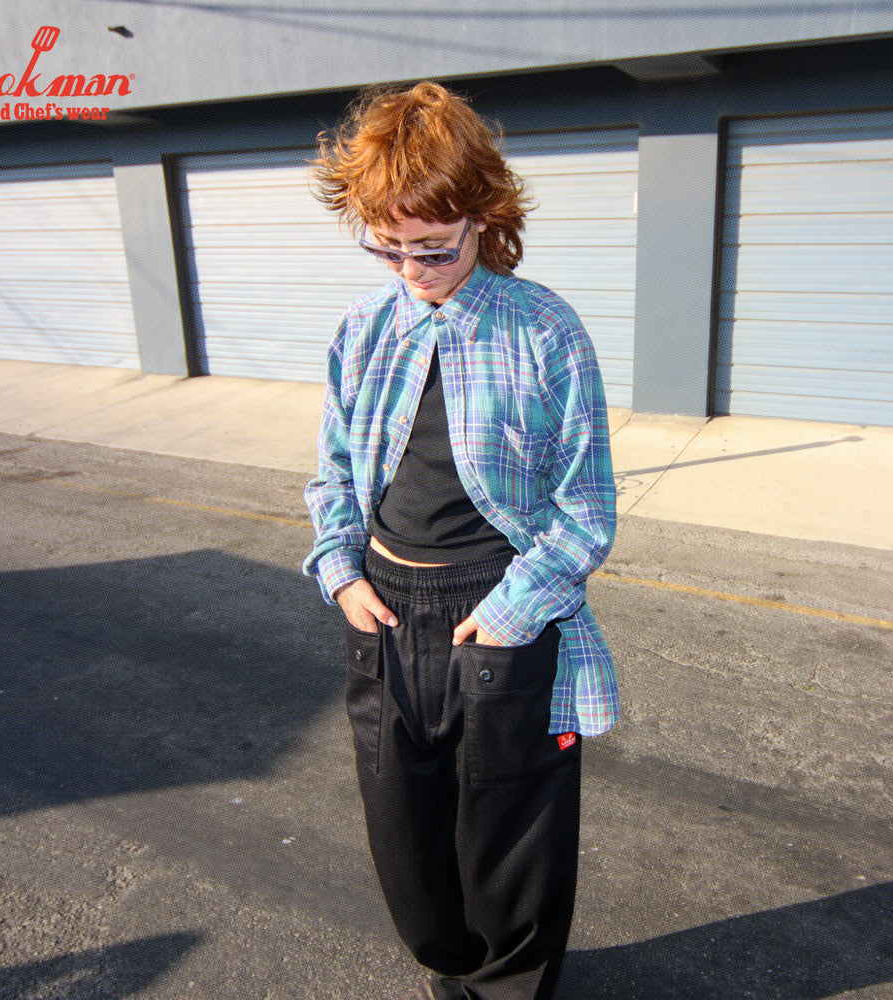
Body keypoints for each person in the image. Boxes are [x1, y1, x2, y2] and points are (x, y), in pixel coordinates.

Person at [302, 81, 619, 1000]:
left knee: (511, 850)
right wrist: (339, 570)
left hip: (499, 609)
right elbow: (332, 472)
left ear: (483, 216)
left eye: (434, 246)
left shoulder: (545, 330)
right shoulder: (363, 329)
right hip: (384, 616)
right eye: (387, 246)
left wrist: (516, 612)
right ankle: (451, 980)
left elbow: (586, 507)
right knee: (407, 846)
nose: (412, 267)